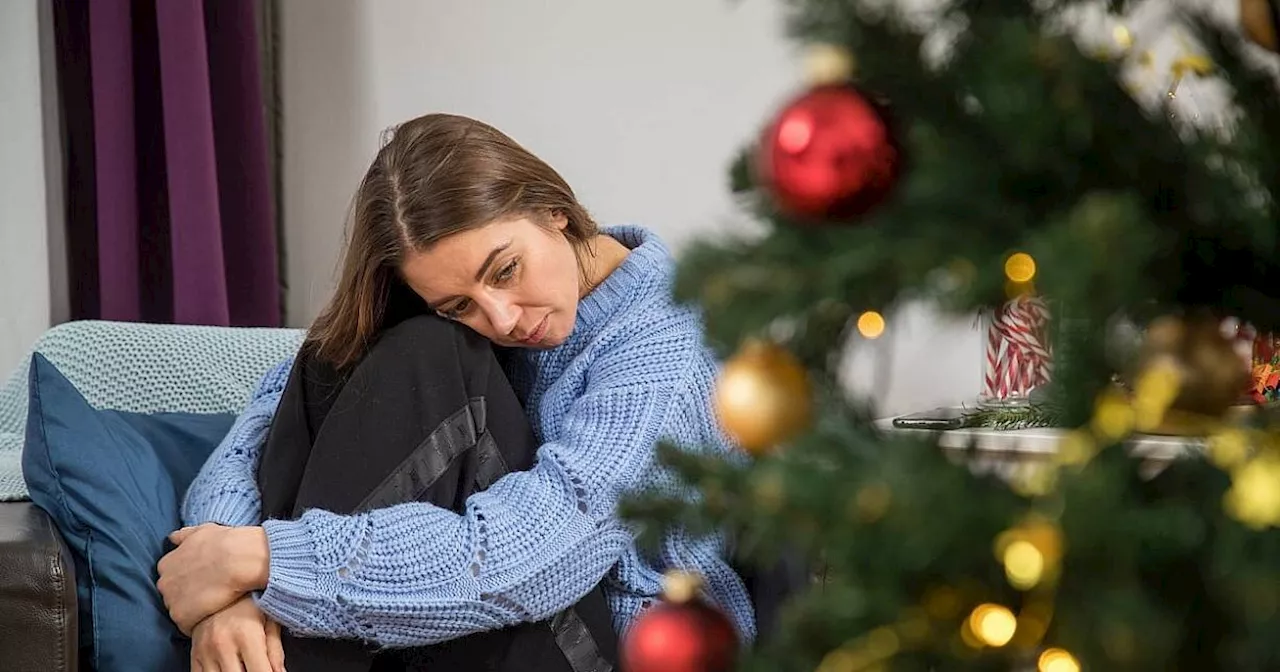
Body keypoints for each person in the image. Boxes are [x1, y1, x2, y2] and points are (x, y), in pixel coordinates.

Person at [155, 113, 757, 671]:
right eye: (459, 303)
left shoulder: (664, 347)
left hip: (621, 643)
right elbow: (259, 426)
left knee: (427, 352)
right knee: (343, 354)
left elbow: (529, 561)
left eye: (505, 270)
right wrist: (226, 591)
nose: (500, 320)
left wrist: (263, 561)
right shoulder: (473, 320)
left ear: (556, 212)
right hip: (466, 625)